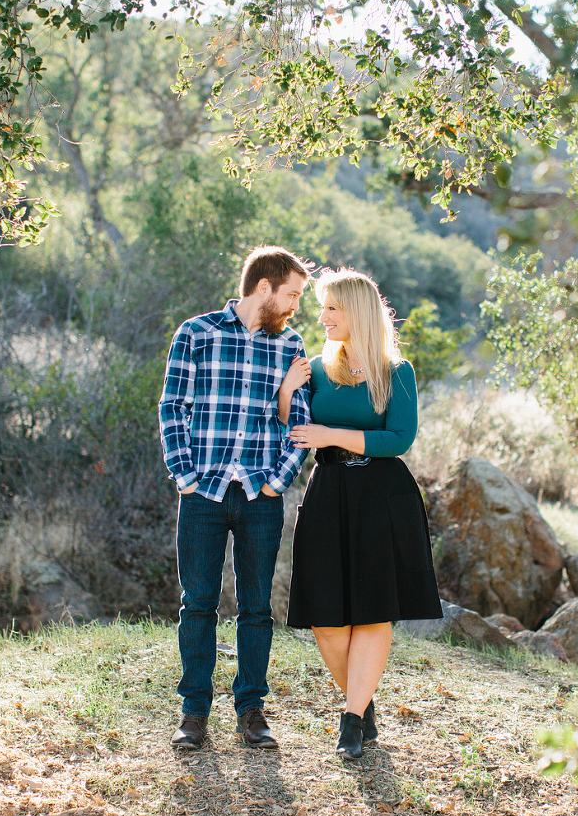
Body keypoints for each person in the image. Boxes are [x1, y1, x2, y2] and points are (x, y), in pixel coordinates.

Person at [278, 268, 442, 760]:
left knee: (373, 611)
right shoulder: (313, 368)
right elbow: (296, 429)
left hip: (382, 496)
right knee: (326, 617)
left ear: (358, 312)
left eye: (332, 308)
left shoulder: (398, 372)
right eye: (322, 308)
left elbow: (399, 439)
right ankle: (362, 701)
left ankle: (352, 718)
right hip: (328, 492)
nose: (322, 317)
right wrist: (288, 390)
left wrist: (333, 435)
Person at [158, 246, 314, 750]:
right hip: (202, 492)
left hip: (260, 496)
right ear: (264, 287)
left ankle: (251, 709)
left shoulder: (291, 346)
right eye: (291, 294)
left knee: (256, 607)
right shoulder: (195, 333)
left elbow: (301, 425)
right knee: (198, 603)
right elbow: (171, 407)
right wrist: (183, 475)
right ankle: (193, 712)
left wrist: (277, 481)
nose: (295, 306)